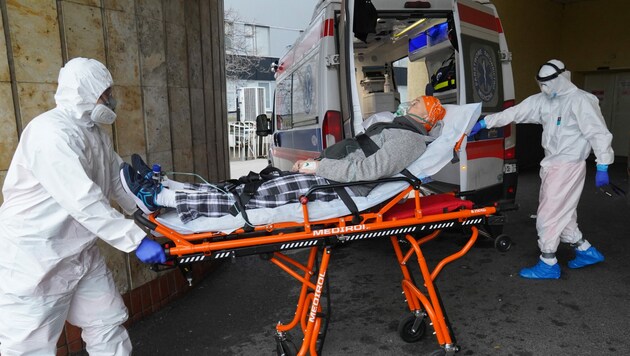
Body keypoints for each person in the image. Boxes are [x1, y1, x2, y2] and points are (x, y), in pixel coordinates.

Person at [0, 58, 166, 355]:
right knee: (29, 348)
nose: (111, 100)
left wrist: (153, 214)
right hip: (37, 258)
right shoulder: (50, 133)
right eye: (105, 93)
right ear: (85, 91)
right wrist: (136, 240)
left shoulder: (95, 135)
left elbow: (119, 181)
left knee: (107, 323)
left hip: (80, 253)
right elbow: (83, 200)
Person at [121, 96, 446, 223]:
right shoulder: (399, 129)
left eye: (418, 103)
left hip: (337, 187)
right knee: (251, 185)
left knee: (249, 199)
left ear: (426, 116)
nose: (411, 101)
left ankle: (160, 197)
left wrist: (318, 166)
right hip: (330, 178)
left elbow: (368, 170)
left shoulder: (409, 139)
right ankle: (167, 188)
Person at [469, 59, 613, 279]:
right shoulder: (544, 101)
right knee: (563, 213)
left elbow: (598, 133)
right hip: (553, 164)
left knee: (548, 214)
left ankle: (548, 261)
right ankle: (586, 251)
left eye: (549, 82)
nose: (545, 88)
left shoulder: (581, 101)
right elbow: (514, 113)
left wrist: (603, 164)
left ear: (562, 78)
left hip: (568, 165)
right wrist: (484, 123)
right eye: (541, 83)